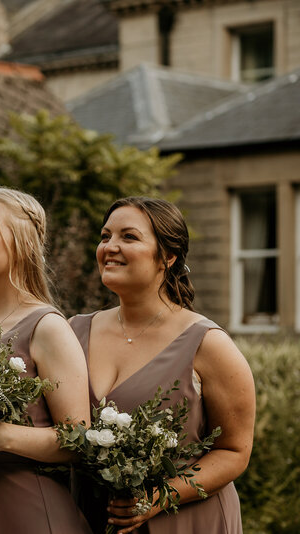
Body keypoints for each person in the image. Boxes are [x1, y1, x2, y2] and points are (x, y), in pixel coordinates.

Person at [70, 196, 255, 534]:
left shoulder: (209, 344)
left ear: (168, 257)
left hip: (186, 519)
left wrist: (157, 498)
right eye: (105, 236)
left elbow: (234, 451)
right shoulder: (72, 332)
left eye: (129, 237)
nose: (110, 246)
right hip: (94, 517)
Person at [0, 186, 93, 533]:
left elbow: (79, 438)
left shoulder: (47, 327)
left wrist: (0, 437)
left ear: (22, 244)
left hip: (29, 511)